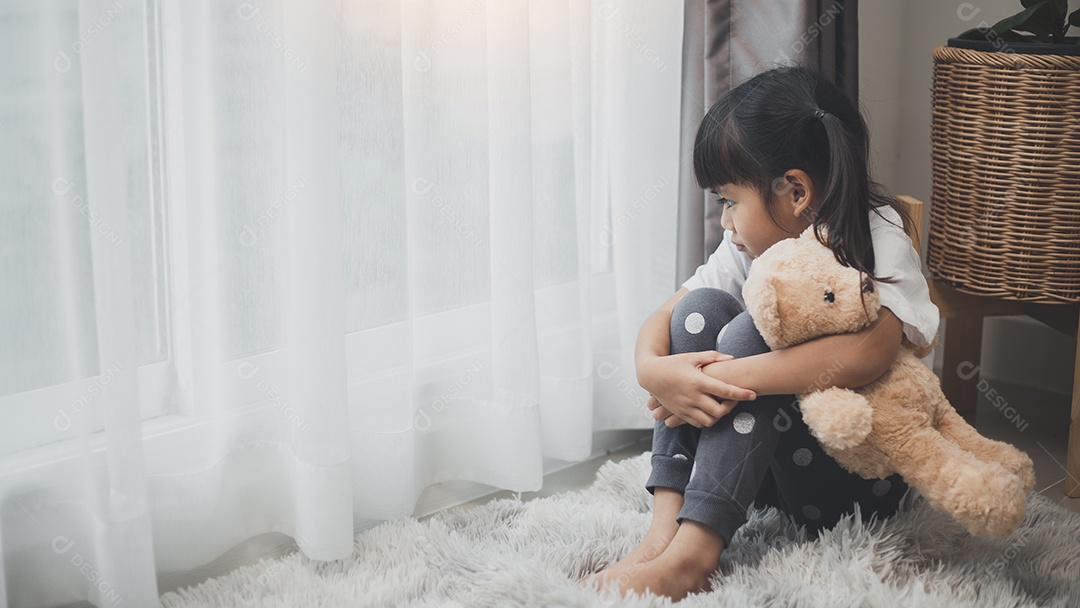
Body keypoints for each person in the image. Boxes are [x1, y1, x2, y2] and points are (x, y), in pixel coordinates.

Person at [584, 66, 940, 600]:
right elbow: (668, 314)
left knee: (750, 333)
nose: (725, 222)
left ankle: (694, 558)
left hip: (863, 483)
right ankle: (664, 533)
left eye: (729, 201)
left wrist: (721, 377)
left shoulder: (877, 235)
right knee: (701, 311)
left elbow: (871, 351)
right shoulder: (746, 246)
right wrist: (655, 371)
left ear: (795, 191)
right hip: (768, 477)